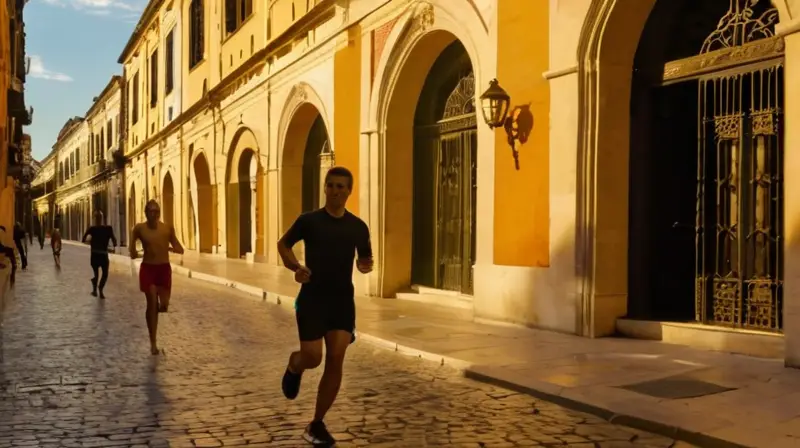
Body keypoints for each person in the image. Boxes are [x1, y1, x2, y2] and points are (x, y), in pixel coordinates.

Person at [277, 166, 373, 446]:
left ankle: (316, 423)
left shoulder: (358, 227)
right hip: (312, 299)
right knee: (312, 357)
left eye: (342, 186)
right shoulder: (309, 221)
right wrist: (295, 266)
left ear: (349, 191)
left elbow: (365, 261)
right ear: (325, 188)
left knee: (336, 358)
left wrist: (364, 266)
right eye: (331, 185)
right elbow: (283, 244)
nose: (336, 191)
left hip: (342, 300)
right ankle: (295, 367)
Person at [130, 200, 184, 355]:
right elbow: (132, 249)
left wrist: (174, 248)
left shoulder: (167, 228)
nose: (153, 214)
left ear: (159, 213)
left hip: (163, 269)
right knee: (152, 301)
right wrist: (133, 252)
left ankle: (159, 308)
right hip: (148, 268)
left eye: (156, 211)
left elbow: (179, 247)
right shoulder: (139, 229)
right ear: (146, 213)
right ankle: (153, 342)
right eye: (150, 211)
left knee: (164, 306)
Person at [82, 211, 117, 299]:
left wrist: (90, 241)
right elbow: (115, 241)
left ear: (94, 219)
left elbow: (83, 239)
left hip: (94, 254)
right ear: (102, 219)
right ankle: (100, 288)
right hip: (103, 255)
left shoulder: (92, 229)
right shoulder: (108, 228)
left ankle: (95, 288)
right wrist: (112, 244)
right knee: (105, 274)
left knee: (96, 274)